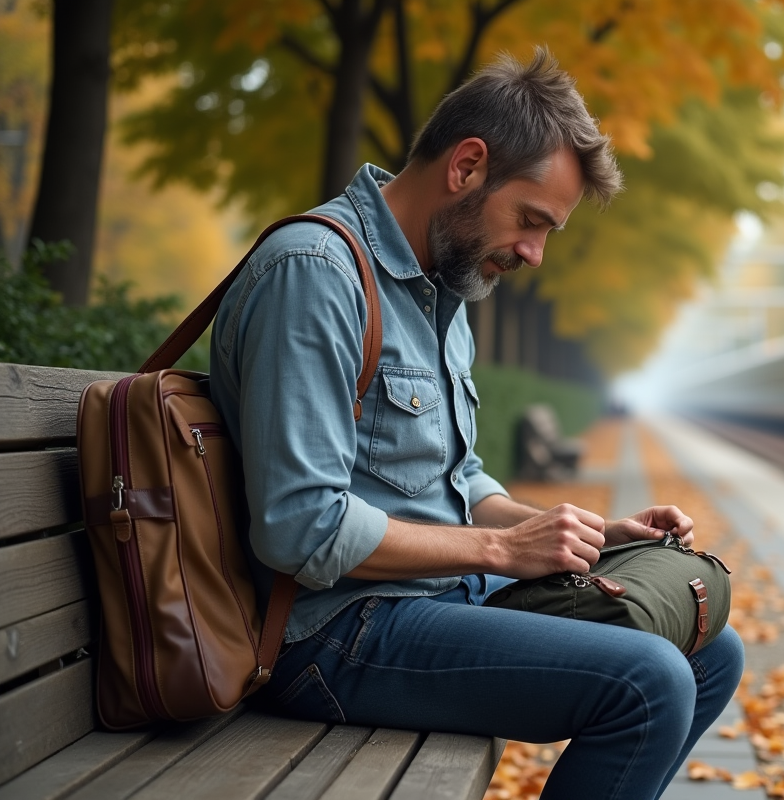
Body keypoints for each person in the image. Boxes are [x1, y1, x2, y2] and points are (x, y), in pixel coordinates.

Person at [209, 48, 744, 800]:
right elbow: (300, 529)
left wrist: (579, 531)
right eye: (531, 221)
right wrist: (500, 548)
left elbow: (455, 478)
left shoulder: (442, 289)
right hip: (327, 634)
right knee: (650, 681)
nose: (534, 253)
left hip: (433, 599)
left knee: (711, 650)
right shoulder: (315, 275)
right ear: (465, 167)